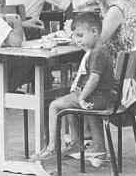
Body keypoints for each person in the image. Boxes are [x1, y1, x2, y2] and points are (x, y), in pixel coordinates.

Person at [34, 12, 115, 161]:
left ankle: (52, 146)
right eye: (75, 37)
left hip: (95, 98)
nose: (77, 41)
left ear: (95, 32)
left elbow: (94, 80)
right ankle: (94, 147)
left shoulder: (97, 53)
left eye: (80, 36)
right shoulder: (100, 50)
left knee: (54, 105)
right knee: (70, 99)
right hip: (103, 97)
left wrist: (82, 97)